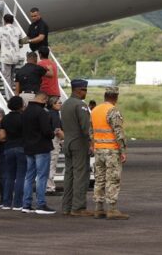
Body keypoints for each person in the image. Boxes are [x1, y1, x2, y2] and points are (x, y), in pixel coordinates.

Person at [92, 86, 129, 220]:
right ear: (116, 97)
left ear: (105, 96)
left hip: (98, 149)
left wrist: (93, 146)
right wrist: (123, 150)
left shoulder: (95, 110)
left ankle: (98, 208)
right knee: (113, 179)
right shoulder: (112, 111)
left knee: (99, 178)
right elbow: (118, 132)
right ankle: (112, 209)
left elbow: (91, 131)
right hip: (111, 150)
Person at [22, 92, 62, 214]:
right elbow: (46, 132)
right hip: (41, 147)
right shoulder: (42, 112)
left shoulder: (25, 112)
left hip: (28, 147)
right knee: (42, 176)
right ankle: (41, 204)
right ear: (43, 99)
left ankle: (26, 204)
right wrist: (53, 133)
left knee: (29, 177)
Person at [61, 79, 94, 216]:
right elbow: (86, 127)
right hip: (79, 143)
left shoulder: (65, 104)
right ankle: (78, 207)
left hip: (68, 142)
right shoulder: (80, 105)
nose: (85, 93)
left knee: (69, 175)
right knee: (81, 175)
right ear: (78, 90)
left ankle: (66, 207)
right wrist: (92, 142)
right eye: (84, 90)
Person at [0, 96, 26, 211]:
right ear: (20, 105)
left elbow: (2, 137)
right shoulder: (24, 118)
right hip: (22, 147)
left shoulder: (5, 118)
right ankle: (17, 203)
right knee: (21, 176)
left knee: (9, 176)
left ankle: (6, 202)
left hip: (8, 148)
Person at [0, 14, 26, 90]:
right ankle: (12, 91)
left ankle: (9, 94)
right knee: (12, 75)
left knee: (7, 77)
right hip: (15, 56)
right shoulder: (17, 29)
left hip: (5, 56)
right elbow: (21, 42)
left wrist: (0, 49)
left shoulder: (1, 29)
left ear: (4, 20)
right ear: (13, 21)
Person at [47, 96, 64, 195]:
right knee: (52, 163)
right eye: (58, 103)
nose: (60, 104)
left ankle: (48, 185)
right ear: (53, 104)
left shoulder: (48, 113)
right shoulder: (54, 114)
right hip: (54, 140)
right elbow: (57, 130)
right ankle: (50, 187)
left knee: (49, 163)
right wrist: (65, 138)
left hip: (48, 140)